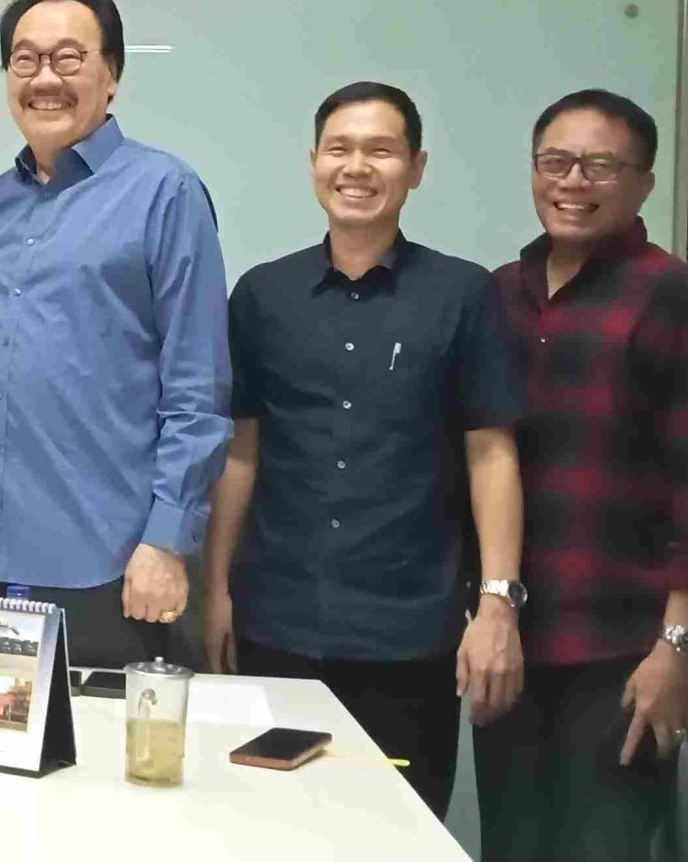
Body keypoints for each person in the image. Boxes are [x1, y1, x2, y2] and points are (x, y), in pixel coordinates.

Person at [0, 0, 231, 670]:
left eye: (68, 58)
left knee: (94, 743)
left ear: (112, 75)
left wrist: (166, 539)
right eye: (25, 60)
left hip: (107, 560)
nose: (44, 79)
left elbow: (198, 388)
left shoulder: (166, 191)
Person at [201, 81, 526, 817]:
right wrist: (215, 590)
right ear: (313, 162)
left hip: (409, 636)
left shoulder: (463, 294)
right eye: (339, 148)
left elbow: (491, 454)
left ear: (417, 168)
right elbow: (241, 451)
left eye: (381, 150)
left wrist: (498, 604)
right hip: (275, 627)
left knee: (395, 830)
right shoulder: (262, 294)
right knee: (270, 828)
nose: (356, 167)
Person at [473, 90, 688, 861]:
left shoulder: (683, 300)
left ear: (644, 182)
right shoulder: (499, 293)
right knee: (513, 847)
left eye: (600, 166)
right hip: (514, 638)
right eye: (556, 161)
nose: (573, 181)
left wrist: (680, 646)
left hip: (629, 645)